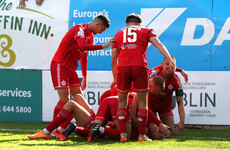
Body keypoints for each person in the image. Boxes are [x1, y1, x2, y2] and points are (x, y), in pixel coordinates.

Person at [111, 13, 176, 142]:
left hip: (123, 68)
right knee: (143, 102)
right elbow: (158, 44)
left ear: (127, 24)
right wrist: (169, 58)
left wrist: (115, 78)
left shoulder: (118, 34)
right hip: (140, 67)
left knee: (122, 102)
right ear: (139, 23)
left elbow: (114, 59)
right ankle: (141, 136)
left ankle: (123, 135)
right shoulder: (146, 31)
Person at [50, 14, 114, 133]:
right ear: (97, 24)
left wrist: (84, 76)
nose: (100, 33)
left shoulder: (90, 36)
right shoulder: (79, 29)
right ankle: (52, 130)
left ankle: (62, 128)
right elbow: (82, 46)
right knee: (64, 99)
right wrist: (103, 46)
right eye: (102, 30)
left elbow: (84, 56)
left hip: (71, 69)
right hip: (60, 64)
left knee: (79, 97)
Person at [27, 94, 95, 140]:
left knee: (71, 104)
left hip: (96, 126)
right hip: (96, 119)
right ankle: (61, 129)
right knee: (77, 96)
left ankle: (46, 132)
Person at [148, 56, 185, 135]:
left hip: (165, 108)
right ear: (162, 65)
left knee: (169, 132)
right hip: (150, 106)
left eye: (172, 65)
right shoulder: (153, 74)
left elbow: (180, 102)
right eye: (167, 64)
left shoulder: (176, 80)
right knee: (153, 131)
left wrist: (182, 121)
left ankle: (157, 128)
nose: (169, 67)